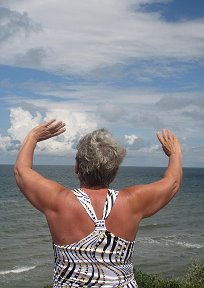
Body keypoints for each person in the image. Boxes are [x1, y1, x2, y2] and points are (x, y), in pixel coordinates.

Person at [14, 119, 182, 288]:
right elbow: (172, 182)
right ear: (114, 172)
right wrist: (174, 153)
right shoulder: (132, 202)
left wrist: (33, 136)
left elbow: (21, 171)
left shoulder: (59, 201)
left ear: (77, 168)